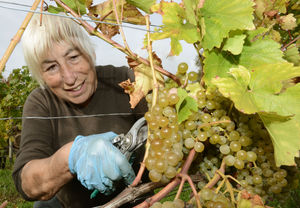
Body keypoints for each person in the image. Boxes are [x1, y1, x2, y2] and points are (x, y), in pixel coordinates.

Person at [12, 13, 147, 208]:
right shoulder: (41, 102)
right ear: (40, 75)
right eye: (51, 67)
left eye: (73, 57)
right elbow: (26, 183)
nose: (68, 77)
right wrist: (71, 157)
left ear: (90, 52)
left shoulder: (128, 83)